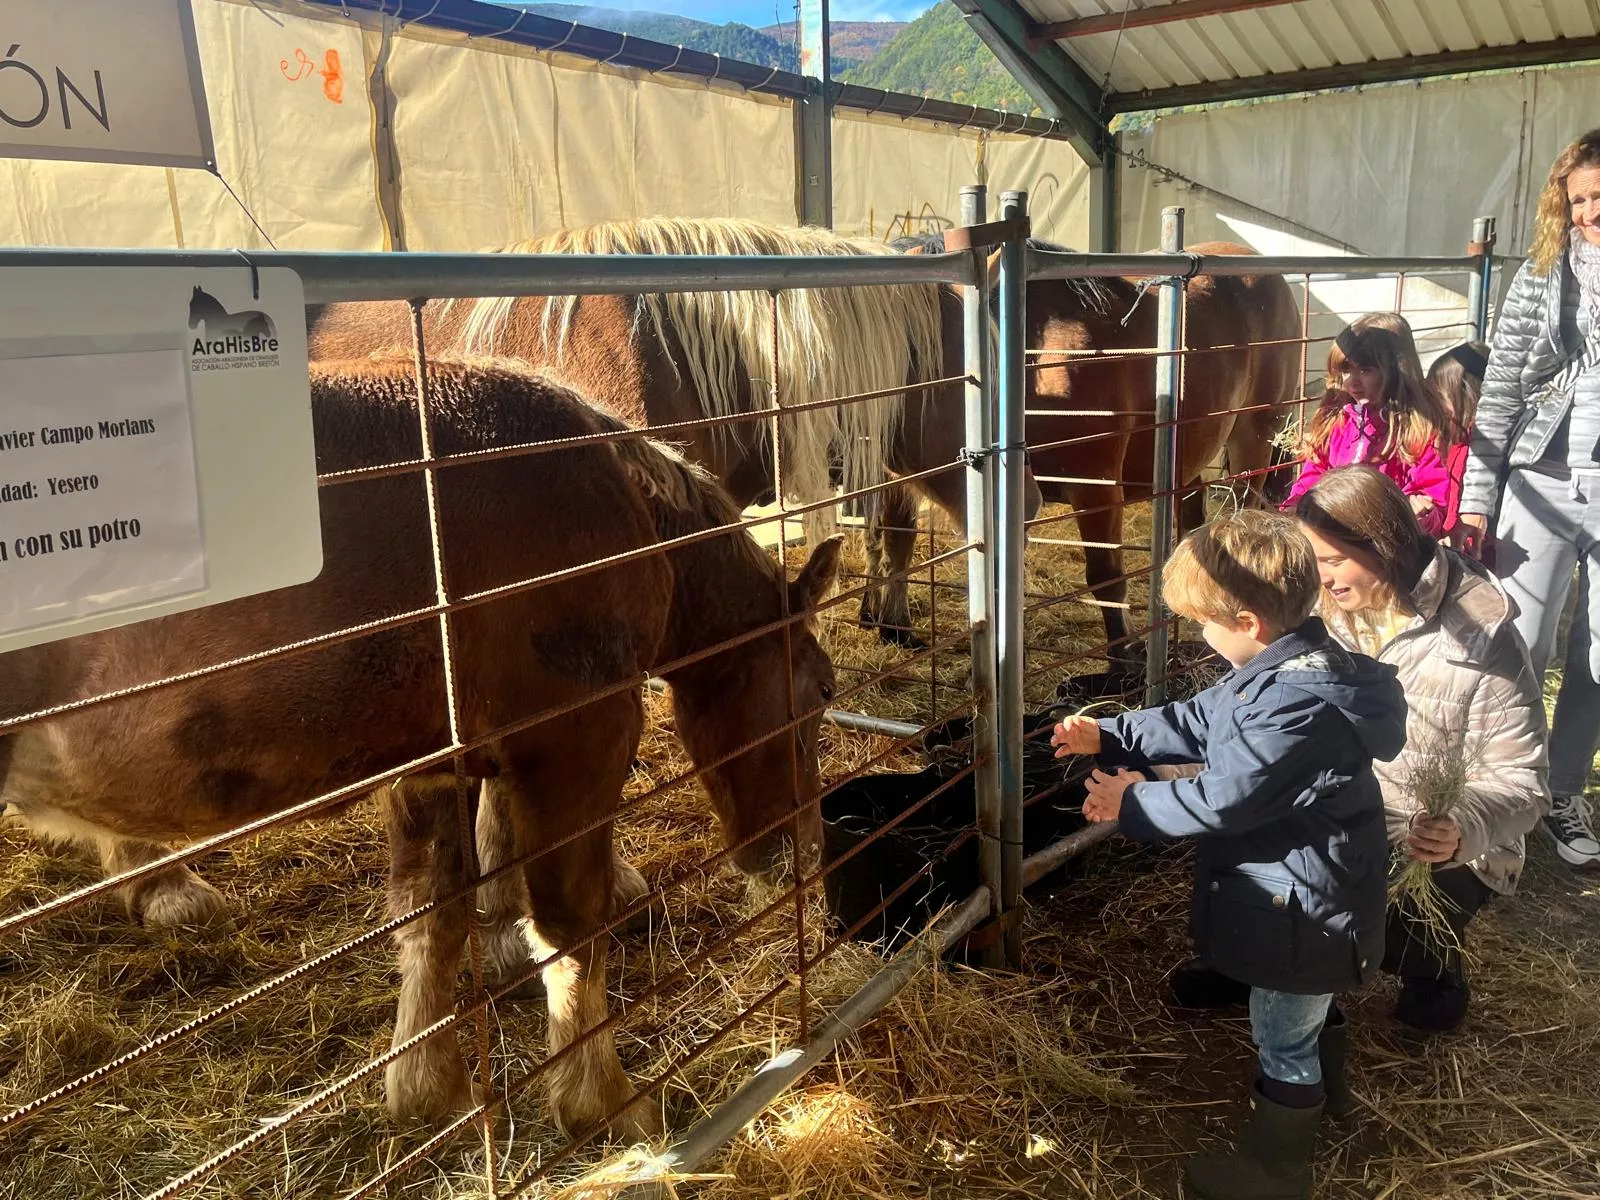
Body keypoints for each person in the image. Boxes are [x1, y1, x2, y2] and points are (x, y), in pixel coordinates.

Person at [1050, 509, 1406, 1200]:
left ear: (1247, 623)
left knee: (1284, 1035)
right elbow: (1194, 720)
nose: (1199, 636)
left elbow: (1222, 802)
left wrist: (1130, 804)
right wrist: (1112, 734)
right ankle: (1332, 1101)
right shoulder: (1285, 667)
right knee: (1302, 1001)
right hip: (1308, 890)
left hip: (1308, 908)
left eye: (1202, 622)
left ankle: (1276, 1169)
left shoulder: (1294, 705)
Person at [1457, 128, 1600, 870]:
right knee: (1520, 638)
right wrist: (1477, 497)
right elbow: (1503, 388)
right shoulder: (1542, 274)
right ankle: (1505, 791)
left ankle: (1566, 787)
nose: (1588, 212)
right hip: (1541, 474)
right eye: (1577, 199)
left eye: (1599, 195)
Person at [1282, 312, 1454, 536]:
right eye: (1345, 370)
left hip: (1386, 541)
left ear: (1393, 371)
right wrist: (1296, 507)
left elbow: (1432, 492)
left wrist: (1420, 513)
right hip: (1333, 533)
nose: (1352, 381)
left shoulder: (1415, 430)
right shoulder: (1336, 421)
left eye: (1365, 370)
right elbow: (1315, 472)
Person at [1427, 341, 1490, 548]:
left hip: (1476, 549)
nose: (1431, 406)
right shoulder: (1453, 441)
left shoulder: (1480, 449)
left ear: (1466, 396)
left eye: (1438, 398)